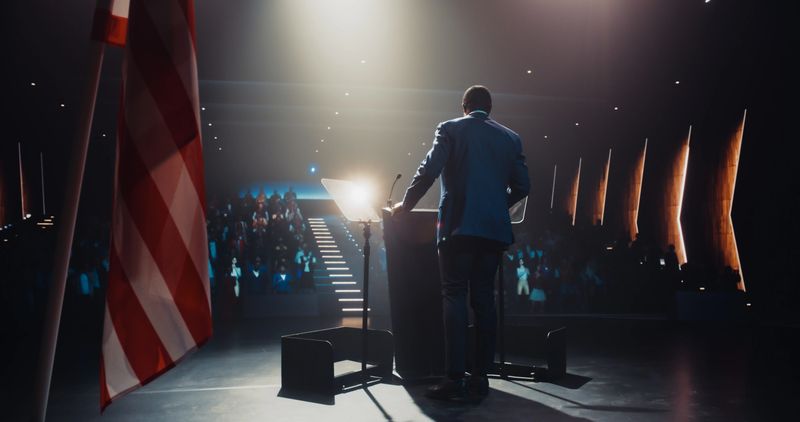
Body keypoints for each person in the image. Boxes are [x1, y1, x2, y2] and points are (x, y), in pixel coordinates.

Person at [392, 85, 530, 401]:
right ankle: (481, 376)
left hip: (458, 227)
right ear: (489, 108)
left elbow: (429, 170)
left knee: (454, 294)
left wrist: (406, 205)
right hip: (494, 233)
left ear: (464, 106)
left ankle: (454, 377)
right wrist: (497, 205)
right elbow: (523, 186)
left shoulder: (450, 128)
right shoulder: (510, 138)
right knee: (484, 301)